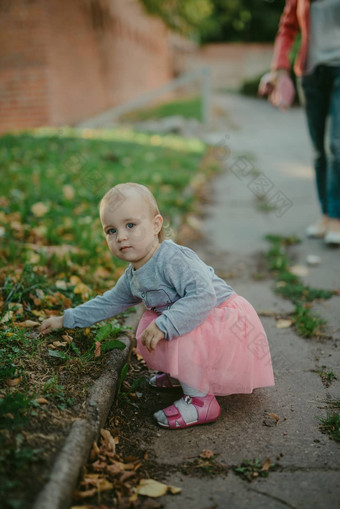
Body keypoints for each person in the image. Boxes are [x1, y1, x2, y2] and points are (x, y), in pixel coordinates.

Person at [39, 182, 274, 429]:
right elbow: (108, 302)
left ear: (155, 225)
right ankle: (182, 375)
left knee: (168, 324)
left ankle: (201, 402)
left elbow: (204, 297)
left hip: (222, 320)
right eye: (111, 230)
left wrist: (166, 323)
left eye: (130, 225)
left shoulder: (173, 259)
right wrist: (66, 319)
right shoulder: (133, 276)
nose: (121, 236)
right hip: (197, 320)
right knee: (159, 323)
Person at [259, 0, 340, 246]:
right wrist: (280, 69)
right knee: (318, 150)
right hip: (312, 74)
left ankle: (337, 217)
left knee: (336, 145)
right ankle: (325, 215)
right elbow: (287, 29)